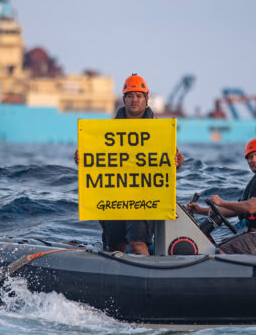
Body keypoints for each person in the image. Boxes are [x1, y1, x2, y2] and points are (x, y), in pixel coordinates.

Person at [75, 73, 184, 255]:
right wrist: (81, 159)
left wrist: (178, 161)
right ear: (124, 99)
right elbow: (96, 162)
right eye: (130, 96)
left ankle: (149, 279)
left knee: (137, 244)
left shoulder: (159, 130)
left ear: (146, 99)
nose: (135, 100)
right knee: (114, 247)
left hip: (145, 198)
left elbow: (170, 163)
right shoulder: (109, 129)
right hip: (114, 198)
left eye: (139, 96)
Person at [186, 138, 256, 254]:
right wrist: (201, 210)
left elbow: (251, 207)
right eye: (250, 157)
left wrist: (221, 202)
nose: (254, 160)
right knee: (216, 246)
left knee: (221, 252)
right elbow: (235, 210)